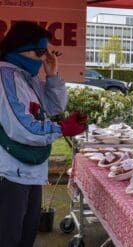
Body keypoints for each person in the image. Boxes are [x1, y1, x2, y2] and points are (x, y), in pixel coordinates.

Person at [0, 21, 87, 247]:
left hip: (29, 170)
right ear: (21, 48)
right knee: (9, 238)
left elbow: (54, 107)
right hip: (9, 173)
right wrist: (61, 129)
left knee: (27, 235)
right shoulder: (5, 77)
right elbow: (22, 127)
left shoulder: (26, 77)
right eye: (40, 52)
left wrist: (53, 75)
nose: (43, 58)